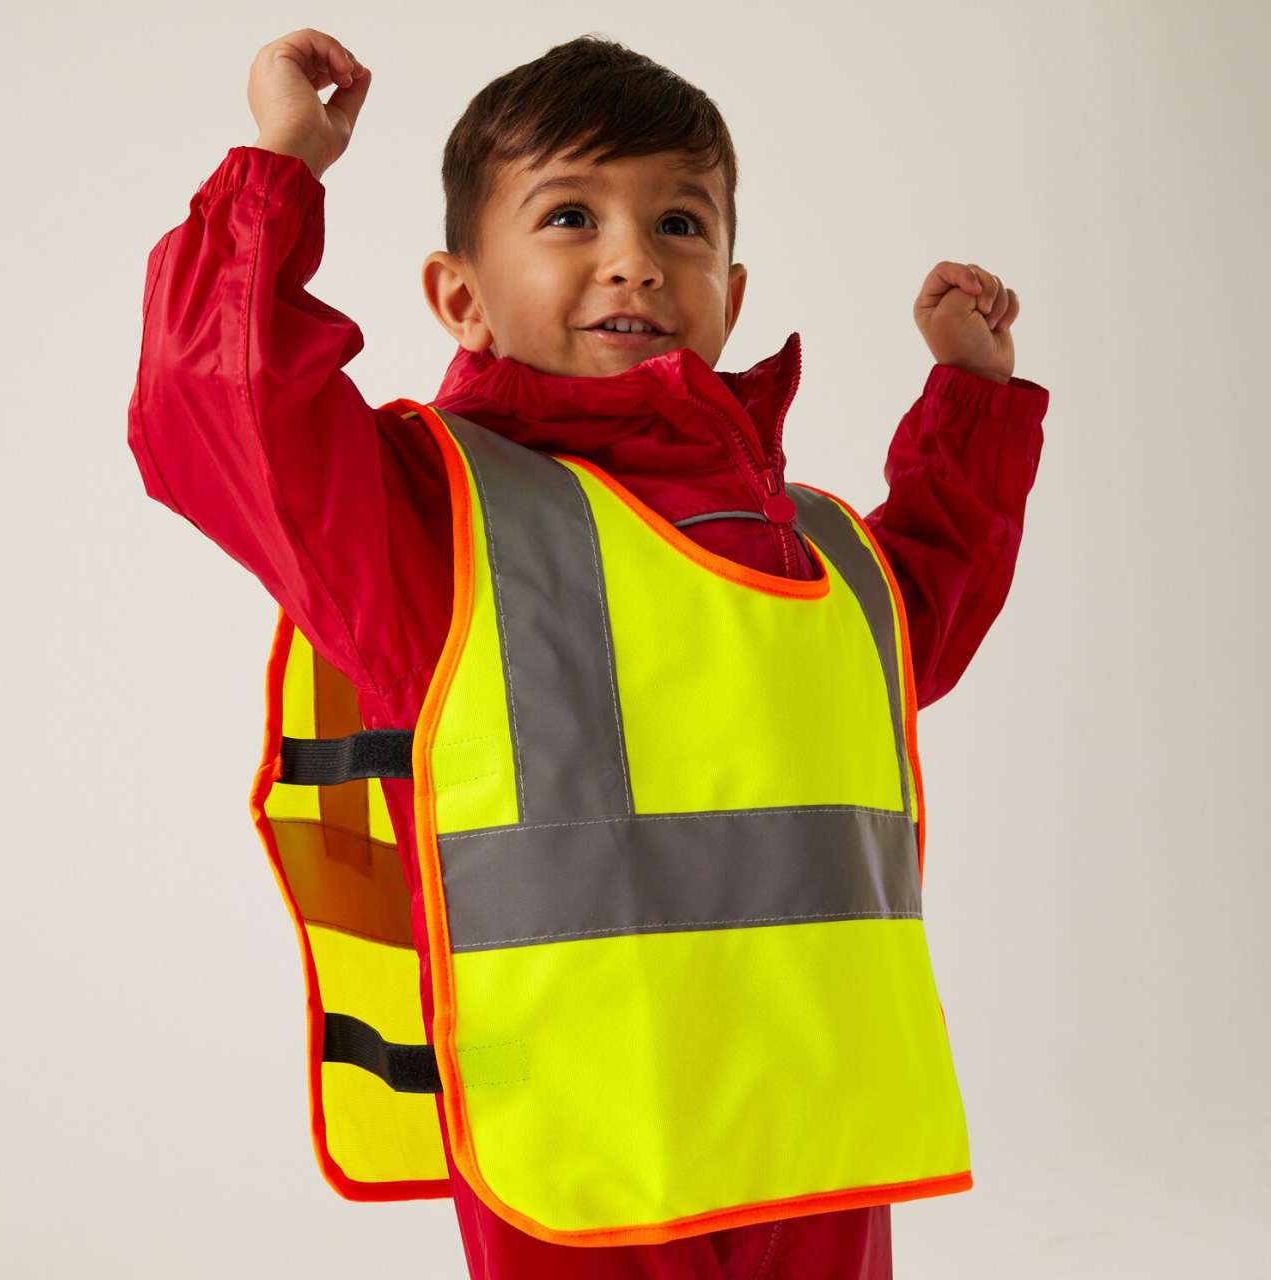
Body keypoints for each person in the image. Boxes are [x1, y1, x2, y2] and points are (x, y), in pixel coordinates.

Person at [127, 26, 1049, 1280]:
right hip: (575, 1140)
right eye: (569, 215)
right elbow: (214, 404)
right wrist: (279, 164)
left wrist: (973, 400)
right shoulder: (427, 529)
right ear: (459, 296)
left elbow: (918, 613)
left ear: (732, 290)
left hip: (808, 1125)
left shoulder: (818, 550)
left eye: (680, 223)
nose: (635, 259)